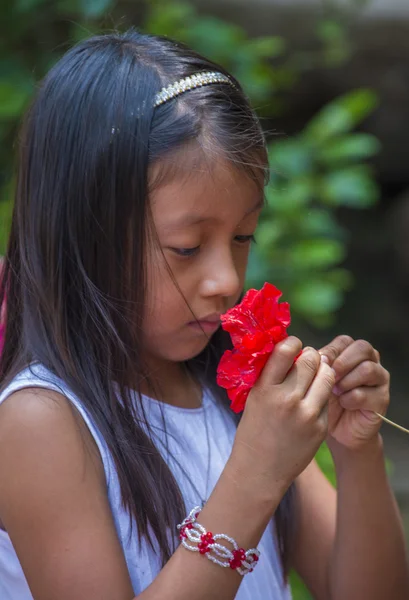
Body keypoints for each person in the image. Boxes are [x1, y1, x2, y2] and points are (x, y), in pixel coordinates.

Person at [0, 30, 407, 600]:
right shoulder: (41, 422)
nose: (227, 281)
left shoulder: (226, 388)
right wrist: (255, 476)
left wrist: (357, 451)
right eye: (188, 247)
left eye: (244, 236)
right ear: (85, 235)